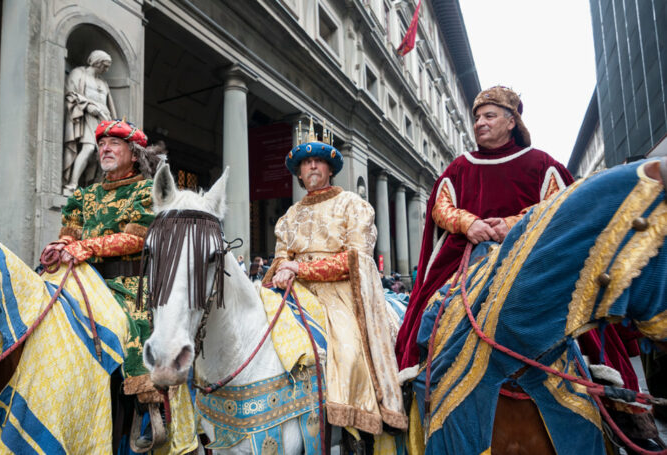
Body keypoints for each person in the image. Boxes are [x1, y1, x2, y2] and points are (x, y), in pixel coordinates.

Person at [394, 86, 646, 438]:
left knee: (576, 311)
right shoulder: (460, 166)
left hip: (531, 256)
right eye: (477, 117)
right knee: (433, 310)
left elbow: (561, 208)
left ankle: (615, 402)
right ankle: (420, 382)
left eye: (489, 116)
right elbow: (441, 206)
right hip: (469, 257)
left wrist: (513, 223)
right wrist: (471, 223)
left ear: (511, 121)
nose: (480, 123)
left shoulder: (541, 164)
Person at [43, 119, 196, 453]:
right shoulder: (83, 195)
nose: (105, 150)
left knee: (130, 324)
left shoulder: (147, 189)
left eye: (114, 144)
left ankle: (149, 408)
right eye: (101, 145)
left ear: (134, 153)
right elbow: (69, 232)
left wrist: (87, 247)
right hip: (83, 277)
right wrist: (60, 246)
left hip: (130, 283)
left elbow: (134, 238)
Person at [263, 126, 407, 436]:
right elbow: (279, 257)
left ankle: (354, 429)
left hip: (341, 293)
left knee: (349, 351)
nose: (312, 166)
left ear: (330, 169)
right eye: (305, 163)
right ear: (299, 174)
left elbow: (355, 259)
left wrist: (298, 268)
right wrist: (282, 269)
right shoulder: (288, 215)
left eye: (318, 161)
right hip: (294, 291)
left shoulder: (353, 205)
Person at [63, 50, 117, 195]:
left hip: (104, 121)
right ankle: (72, 185)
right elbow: (71, 93)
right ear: (96, 62)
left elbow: (110, 106)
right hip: (87, 117)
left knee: (100, 157)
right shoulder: (79, 74)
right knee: (88, 149)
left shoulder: (103, 83)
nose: (106, 70)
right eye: (104, 66)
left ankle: (92, 189)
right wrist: (89, 106)